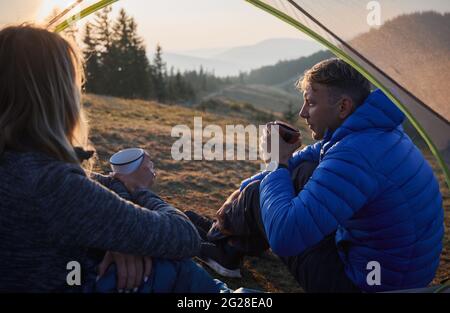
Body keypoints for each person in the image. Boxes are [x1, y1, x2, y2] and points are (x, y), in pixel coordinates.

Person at [0, 25, 229, 293]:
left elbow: (94, 185)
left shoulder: (18, 163)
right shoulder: (49, 183)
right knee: (169, 266)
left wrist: (117, 232)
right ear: (57, 97)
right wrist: (140, 191)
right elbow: (183, 236)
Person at [187, 58, 444, 292]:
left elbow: (285, 236)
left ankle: (223, 247)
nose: (302, 113)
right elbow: (310, 155)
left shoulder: (354, 155)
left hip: (363, 285)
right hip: (393, 273)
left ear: (343, 106)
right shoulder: (372, 130)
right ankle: (227, 237)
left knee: (264, 192)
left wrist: (275, 163)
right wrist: (249, 183)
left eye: (311, 102)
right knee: (296, 173)